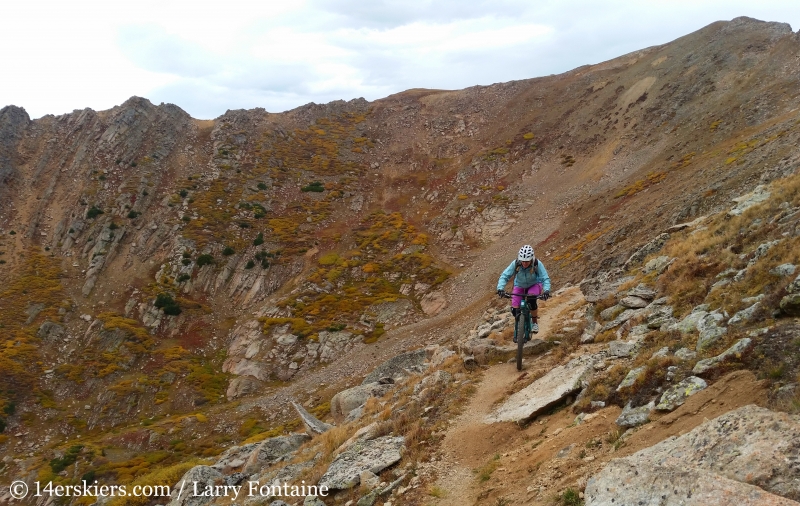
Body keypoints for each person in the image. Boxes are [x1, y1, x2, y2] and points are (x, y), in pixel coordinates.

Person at [496, 244, 551, 340]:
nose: (524, 263)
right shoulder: (516, 263)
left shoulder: (537, 263)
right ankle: (520, 326)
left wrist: (546, 290)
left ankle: (534, 322)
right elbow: (505, 276)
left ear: (531, 259)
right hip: (519, 285)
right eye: (523, 261)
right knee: (514, 310)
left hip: (534, 284)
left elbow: (545, 278)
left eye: (527, 261)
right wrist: (500, 288)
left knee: (531, 299)